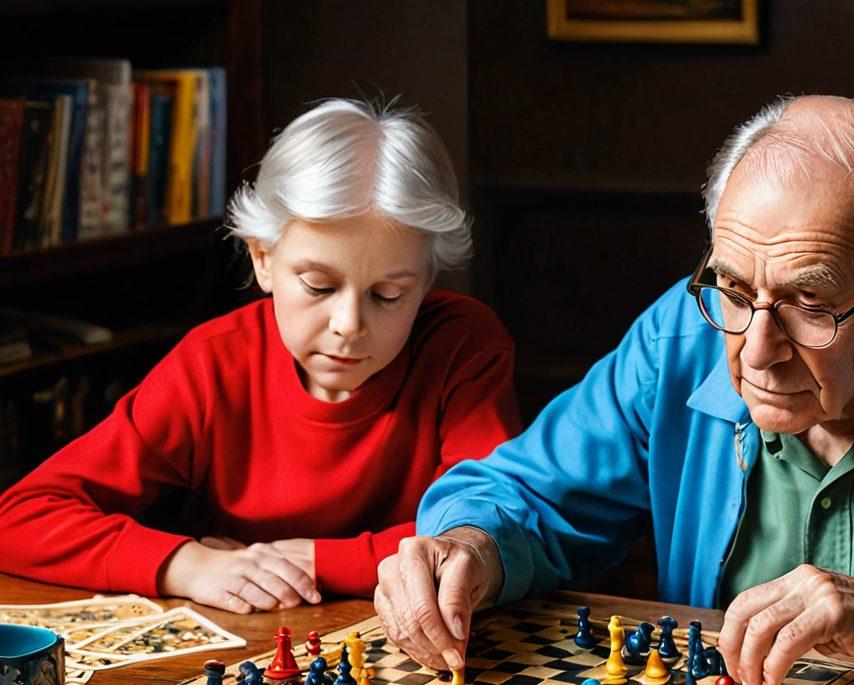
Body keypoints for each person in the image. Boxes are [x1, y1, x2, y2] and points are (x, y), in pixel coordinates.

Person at [373, 95, 854, 685]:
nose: (755, 350)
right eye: (735, 289)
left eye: (812, 305)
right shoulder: (676, 339)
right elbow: (520, 494)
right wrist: (467, 543)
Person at [0, 98, 520, 613]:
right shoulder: (214, 363)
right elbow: (19, 518)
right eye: (318, 285)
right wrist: (188, 565)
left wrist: (318, 560)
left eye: (388, 295)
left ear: (428, 280)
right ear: (263, 259)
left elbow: (485, 536)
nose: (349, 325)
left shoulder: (462, 347)